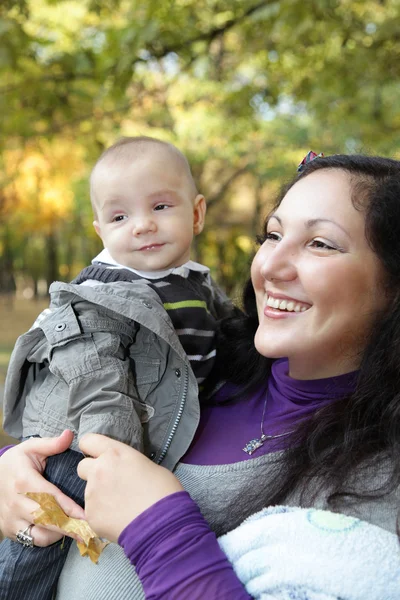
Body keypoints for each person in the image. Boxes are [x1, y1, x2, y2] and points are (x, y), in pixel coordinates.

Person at [1, 153, 400, 599]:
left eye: (321, 243)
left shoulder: (378, 481)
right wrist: (17, 472)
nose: (269, 267)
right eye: (272, 235)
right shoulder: (207, 363)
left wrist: (156, 525)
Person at [0, 136, 233, 600]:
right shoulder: (103, 293)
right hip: (81, 444)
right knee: (39, 549)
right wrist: (113, 455)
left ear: (197, 213)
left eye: (161, 206)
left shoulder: (197, 284)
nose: (143, 226)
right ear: (101, 229)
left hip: (147, 432)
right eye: (120, 217)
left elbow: (230, 342)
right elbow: (95, 376)